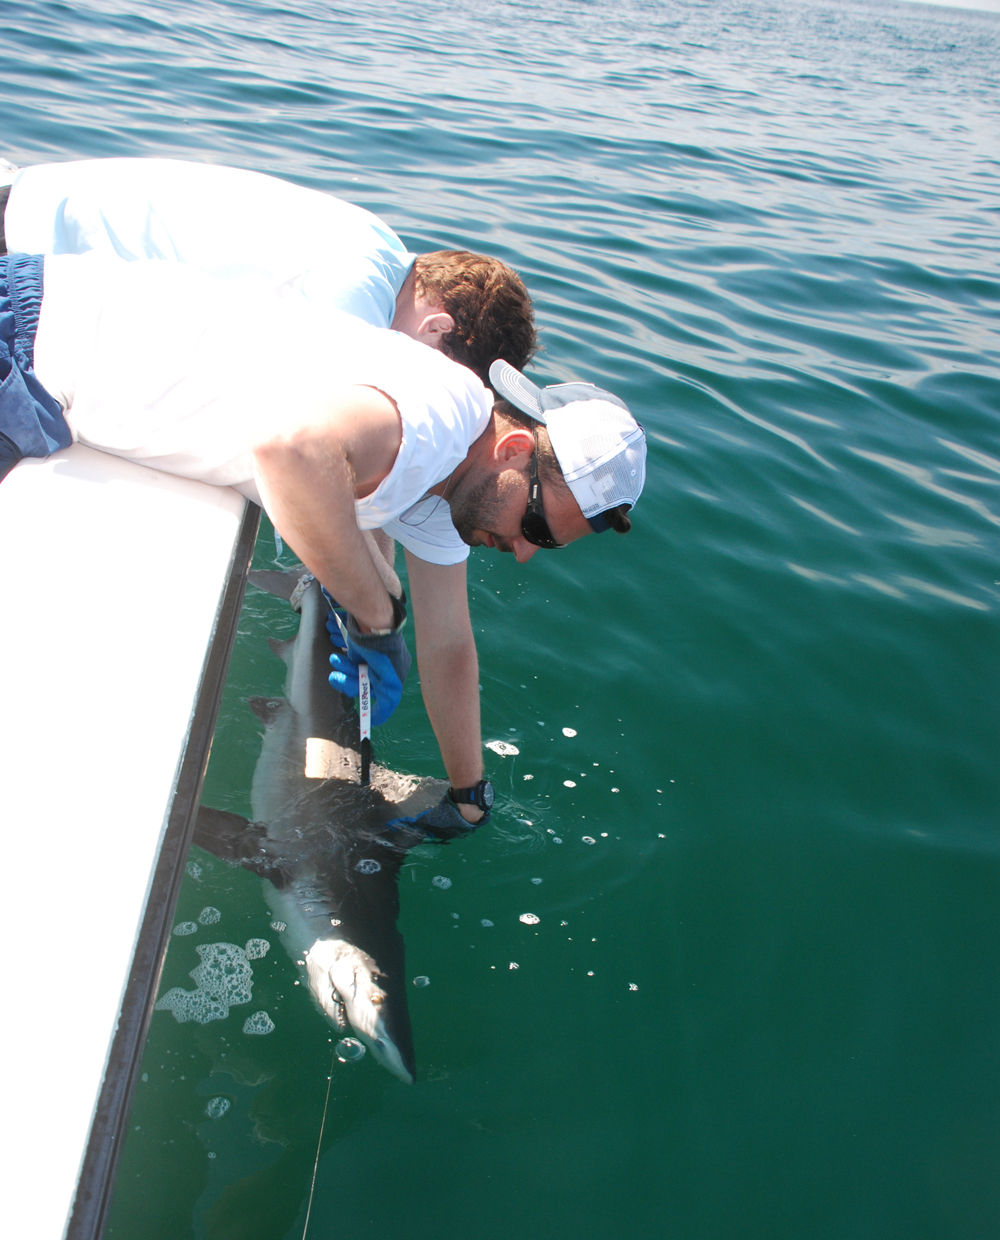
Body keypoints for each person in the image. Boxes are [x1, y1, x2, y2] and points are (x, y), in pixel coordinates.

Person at [0, 249, 645, 837]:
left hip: (51, 371)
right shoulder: (445, 412)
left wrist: (467, 793)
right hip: (29, 343)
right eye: (535, 528)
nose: (525, 552)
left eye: (545, 547)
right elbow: (292, 451)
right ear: (512, 450)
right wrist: (371, 616)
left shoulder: (447, 487)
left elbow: (449, 645)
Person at [0, 156, 537, 381]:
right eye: (436, 375)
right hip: (22, 248)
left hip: (30, 195)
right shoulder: (356, 304)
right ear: (439, 326)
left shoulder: (379, 245)